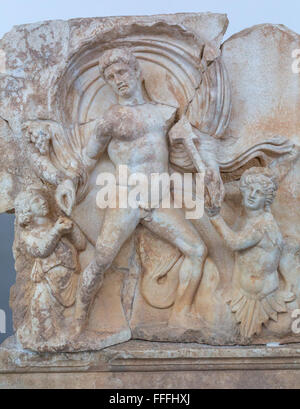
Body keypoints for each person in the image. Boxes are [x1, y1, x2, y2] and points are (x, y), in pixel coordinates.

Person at [73, 48, 224, 334]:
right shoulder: (110, 120)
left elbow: (194, 145)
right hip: (127, 198)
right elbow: (87, 157)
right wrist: (69, 184)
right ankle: (79, 319)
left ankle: (180, 314)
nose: (118, 79)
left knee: (196, 249)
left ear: (137, 72)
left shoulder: (164, 113)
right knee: (102, 259)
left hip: (159, 198)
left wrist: (209, 167)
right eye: (110, 76)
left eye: (122, 72)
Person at [206, 167, 294, 338]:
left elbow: (234, 243)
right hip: (244, 295)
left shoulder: (263, 224)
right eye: (249, 190)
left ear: (266, 199)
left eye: (259, 193)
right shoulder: (249, 218)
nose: (252, 195)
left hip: (262, 299)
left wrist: (215, 218)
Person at [15, 188, 86, 346]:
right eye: (35, 201)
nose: (42, 201)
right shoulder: (27, 234)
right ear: (26, 210)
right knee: (43, 313)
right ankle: (45, 343)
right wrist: (56, 231)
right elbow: (40, 249)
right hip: (48, 283)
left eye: (42, 198)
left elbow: (81, 245)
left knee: (69, 320)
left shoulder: (58, 224)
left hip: (71, 280)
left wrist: (72, 228)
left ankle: (68, 340)